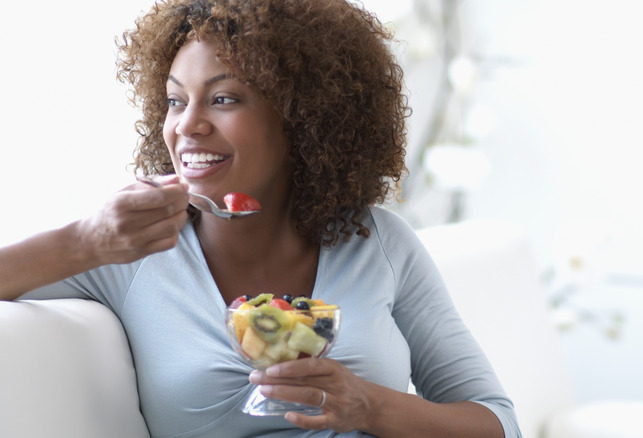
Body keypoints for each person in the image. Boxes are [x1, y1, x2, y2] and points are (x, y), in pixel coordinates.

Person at [0, 0, 521, 436]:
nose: (188, 125)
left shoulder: (378, 243)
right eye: (175, 101)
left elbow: (497, 422)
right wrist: (85, 241)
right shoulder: (130, 253)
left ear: (303, 117)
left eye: (224, 99)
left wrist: (368, 404)